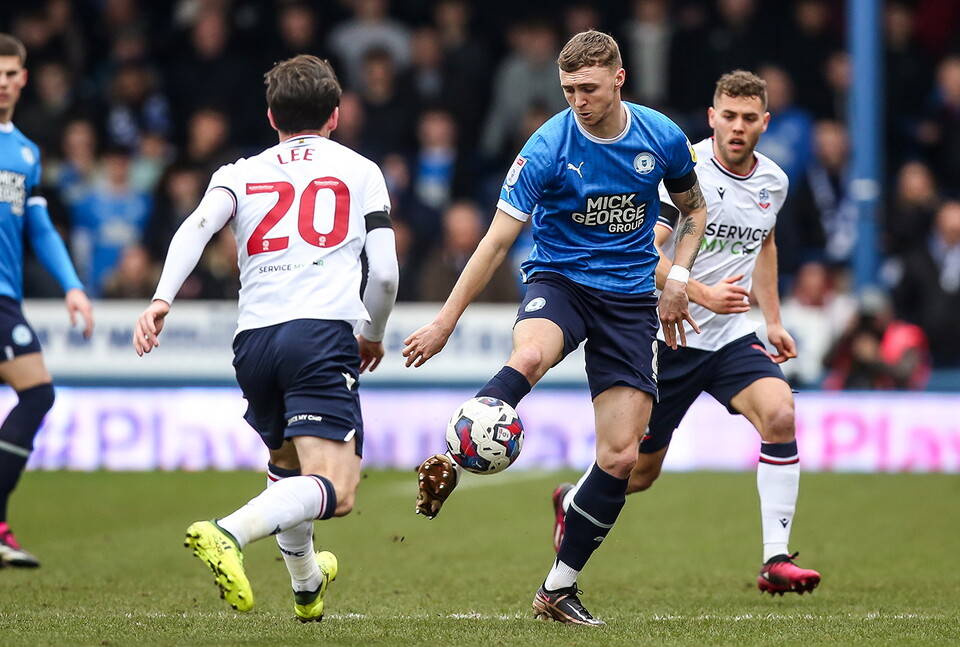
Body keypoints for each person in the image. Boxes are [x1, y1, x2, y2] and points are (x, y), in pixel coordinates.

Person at [402, 30, 707, 625]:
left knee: (621, 458)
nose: (578, 100)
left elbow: (692, 207)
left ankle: (557, 590)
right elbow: (494, 243)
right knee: (532, 357)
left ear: (620, 79)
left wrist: (677, 280)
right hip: (560, 283)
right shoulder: (547, 147)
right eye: (568, 89)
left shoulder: (662, 136)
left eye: (589, 88)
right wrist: (445, 320)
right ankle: (452, 452)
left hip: (628, 300)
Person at [133, 55, 398, 620]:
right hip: (320, 334)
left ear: (271, 115)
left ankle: (305, 585)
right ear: (335, 115)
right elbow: (388, 272)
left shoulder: (239, 171)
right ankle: (229, 531)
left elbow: (197, 227)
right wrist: (372, 333)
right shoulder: (360, 169)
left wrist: (161, 299)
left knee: (288, 468)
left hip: (253, 341)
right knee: (339, 489)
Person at [551, 70, 822, 596]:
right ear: (711, 117)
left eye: (749, 118)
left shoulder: (774, 182)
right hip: (667, 339)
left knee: (782, 413)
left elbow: (763, 246)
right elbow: (645, 252)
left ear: (765, 123)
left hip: (728, 340)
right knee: (640, 473)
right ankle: (572, 501)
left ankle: (775, 560)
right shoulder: (685, 171)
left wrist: (771, 319)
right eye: (729, 116)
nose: (737, 127)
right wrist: (701, 293)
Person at [0, 33, 94, 568]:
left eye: (11, 73)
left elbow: (39, 228)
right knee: (36, 393)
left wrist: (73, 286)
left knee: (37, 395)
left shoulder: (27, 152)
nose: (3, 82)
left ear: (24, 78)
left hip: (6, 297)